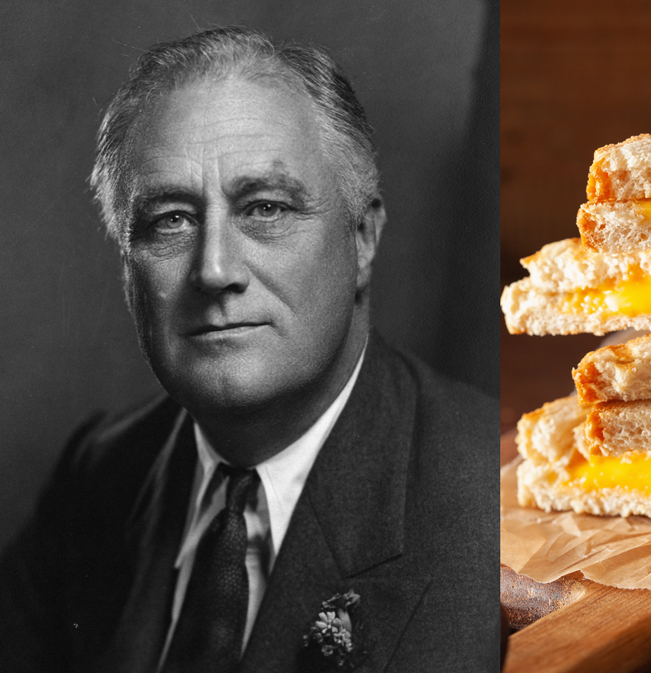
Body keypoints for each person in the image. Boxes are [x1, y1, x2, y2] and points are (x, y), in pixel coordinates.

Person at [0, 27, 498, 673]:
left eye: (265, 208)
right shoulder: (100, 470)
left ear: (364, 237)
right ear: (128, 267)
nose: (214, 270)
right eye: (170, 219)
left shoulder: (488, 500)